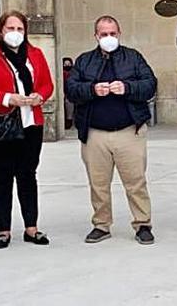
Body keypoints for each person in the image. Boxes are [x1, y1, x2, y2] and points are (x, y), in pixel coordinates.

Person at [66, 16, 158, 245]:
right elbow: (71, 89)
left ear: (119, 33)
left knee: (136, 182)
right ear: (96, 36)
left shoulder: (133, 57)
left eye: (112, 33)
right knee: (98, 184)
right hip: (95, 133)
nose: (109, 38)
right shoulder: (85, 61)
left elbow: (150, 84)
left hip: (129, 131)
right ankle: (101, 224)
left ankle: (143, 224)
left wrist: (127, 87)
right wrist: (92, 89)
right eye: (104, 34)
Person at [0, 11, 55, 249]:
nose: (15, 33)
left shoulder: (35, 54)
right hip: (1, 123)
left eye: (20, 29)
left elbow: (47, 83)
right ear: (1, 31)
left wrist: (41, 95)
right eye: (10, 29)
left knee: (28, 174)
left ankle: (31, 227)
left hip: (30, 123)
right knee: (2, 174)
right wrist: (7, 98)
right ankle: (3, 230)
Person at [63, 57, 75, 130]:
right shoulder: (62, 73)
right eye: (65, 64)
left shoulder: (74, 73)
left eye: (69, 64)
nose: (67, 65)